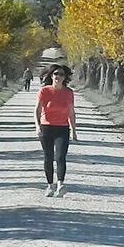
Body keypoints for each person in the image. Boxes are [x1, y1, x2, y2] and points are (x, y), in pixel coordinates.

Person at [34, 64, 77, 197]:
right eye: (56, 74)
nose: (58, 76)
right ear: (51, 76)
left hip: (62, 128)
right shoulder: (44, 91)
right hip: (46, 127)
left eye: (61, 74)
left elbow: (71, 112)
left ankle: (60, 185)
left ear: (65, 77)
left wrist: (74, 130)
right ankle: (49, 186)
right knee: (48, 157)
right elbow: (37, 110)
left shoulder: (68, 93)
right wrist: (37, 126)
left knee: (60, 157)